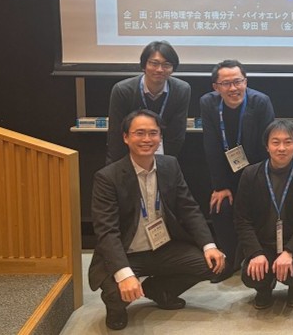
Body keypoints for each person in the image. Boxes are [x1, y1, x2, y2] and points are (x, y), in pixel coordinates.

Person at [89, 109, 226, 331]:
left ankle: (159, 291)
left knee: (213, 263)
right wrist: (125, 274)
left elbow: (189, 209)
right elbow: (107, 232)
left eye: (153, 133)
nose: (147, 139)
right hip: (127, 252)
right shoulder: (108, 177)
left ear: (160, 137)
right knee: (117, 289)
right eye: (139, 133)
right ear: (126, 137)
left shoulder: (170, 165)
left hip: (163, 247)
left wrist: (209, 245)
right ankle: (116, 308)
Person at [199, 59, 276, 282]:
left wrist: (257, 183)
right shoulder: (208, 103)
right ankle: (229, 260)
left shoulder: (260, 102)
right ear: (216, 87)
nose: (233, 88)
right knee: (220, 206)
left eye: (238, 81)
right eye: (226, 83)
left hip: (258, 173)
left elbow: (267, 145)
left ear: (245, 82)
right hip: (226, 173)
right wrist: (220, 186)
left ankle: (256, 255)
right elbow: (211, 145)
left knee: (258, 207)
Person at [234, 119, 293, 309]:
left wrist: (289, 252)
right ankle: (263, 289)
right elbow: (242, 220)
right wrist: (255, 253)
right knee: (252, 275)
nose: (281, 148)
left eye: (288, 142)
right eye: (275, 142)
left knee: (292, 272)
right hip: (262, 243)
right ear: (267, 146)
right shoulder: (250, 174)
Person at [106, 41, 191, 164]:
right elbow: (116, 136)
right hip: (126, 158)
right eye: (154, 63)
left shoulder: (181, 90)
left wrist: (163, 165)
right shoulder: (123, 90)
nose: (160, 69)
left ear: (173, 68)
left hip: (164, 158)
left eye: (166, 64)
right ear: (144, 65)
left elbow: (176, 135)